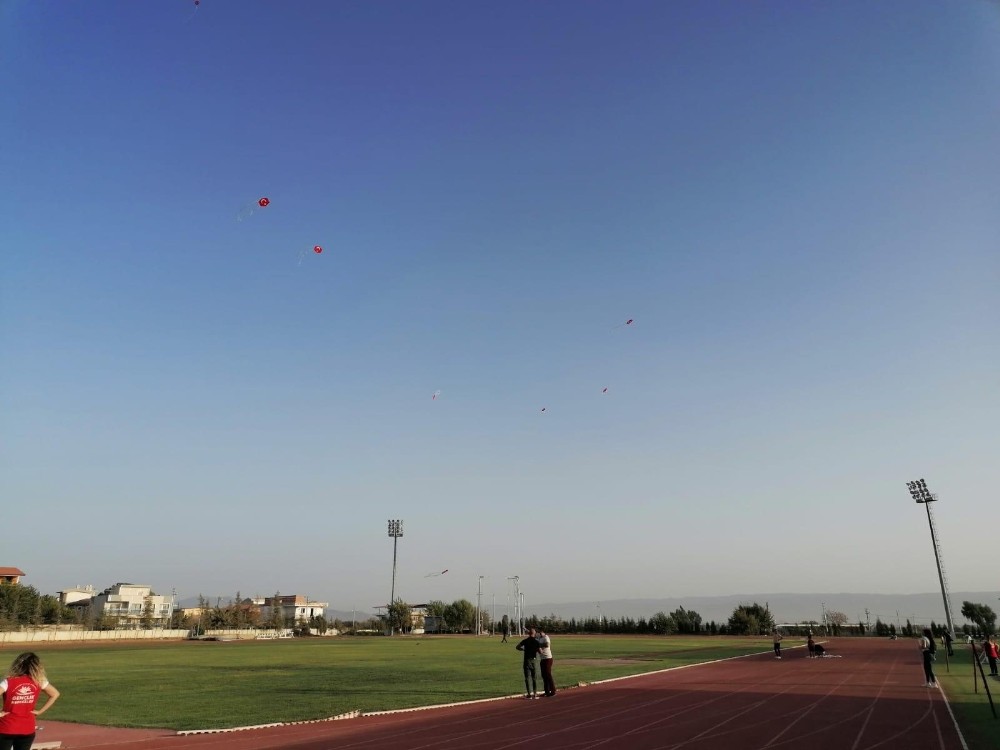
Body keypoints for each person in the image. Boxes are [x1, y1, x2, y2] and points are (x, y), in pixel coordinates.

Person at [0, 652, 60, 750]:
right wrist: (40, 711)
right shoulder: (39, 681)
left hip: (6, 727)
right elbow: (55, 694)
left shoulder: (8, 681)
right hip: (27, 728)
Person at [515, 627, 541, 699]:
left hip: (526, 661)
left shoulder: (525, 641)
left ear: (529, 633)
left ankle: (529, 694)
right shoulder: (536, 642)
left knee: (527, 678)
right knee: (534, 678)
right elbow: (540, 651)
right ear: (534, 633)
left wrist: (523, 649)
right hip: (533, 660)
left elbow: (517, 647)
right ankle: (535, 693)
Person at [536, 629, 556, 696]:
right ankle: (546, 691)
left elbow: (547, 644)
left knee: (548, 674)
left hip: (548, 658)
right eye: (539, 632)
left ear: (544, 632)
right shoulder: (539, 637)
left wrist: (538, 645)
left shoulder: (546, 637)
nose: (540, 634)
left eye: (541, 632)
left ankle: (553, 691)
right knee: (544, 675)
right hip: (542, 659)